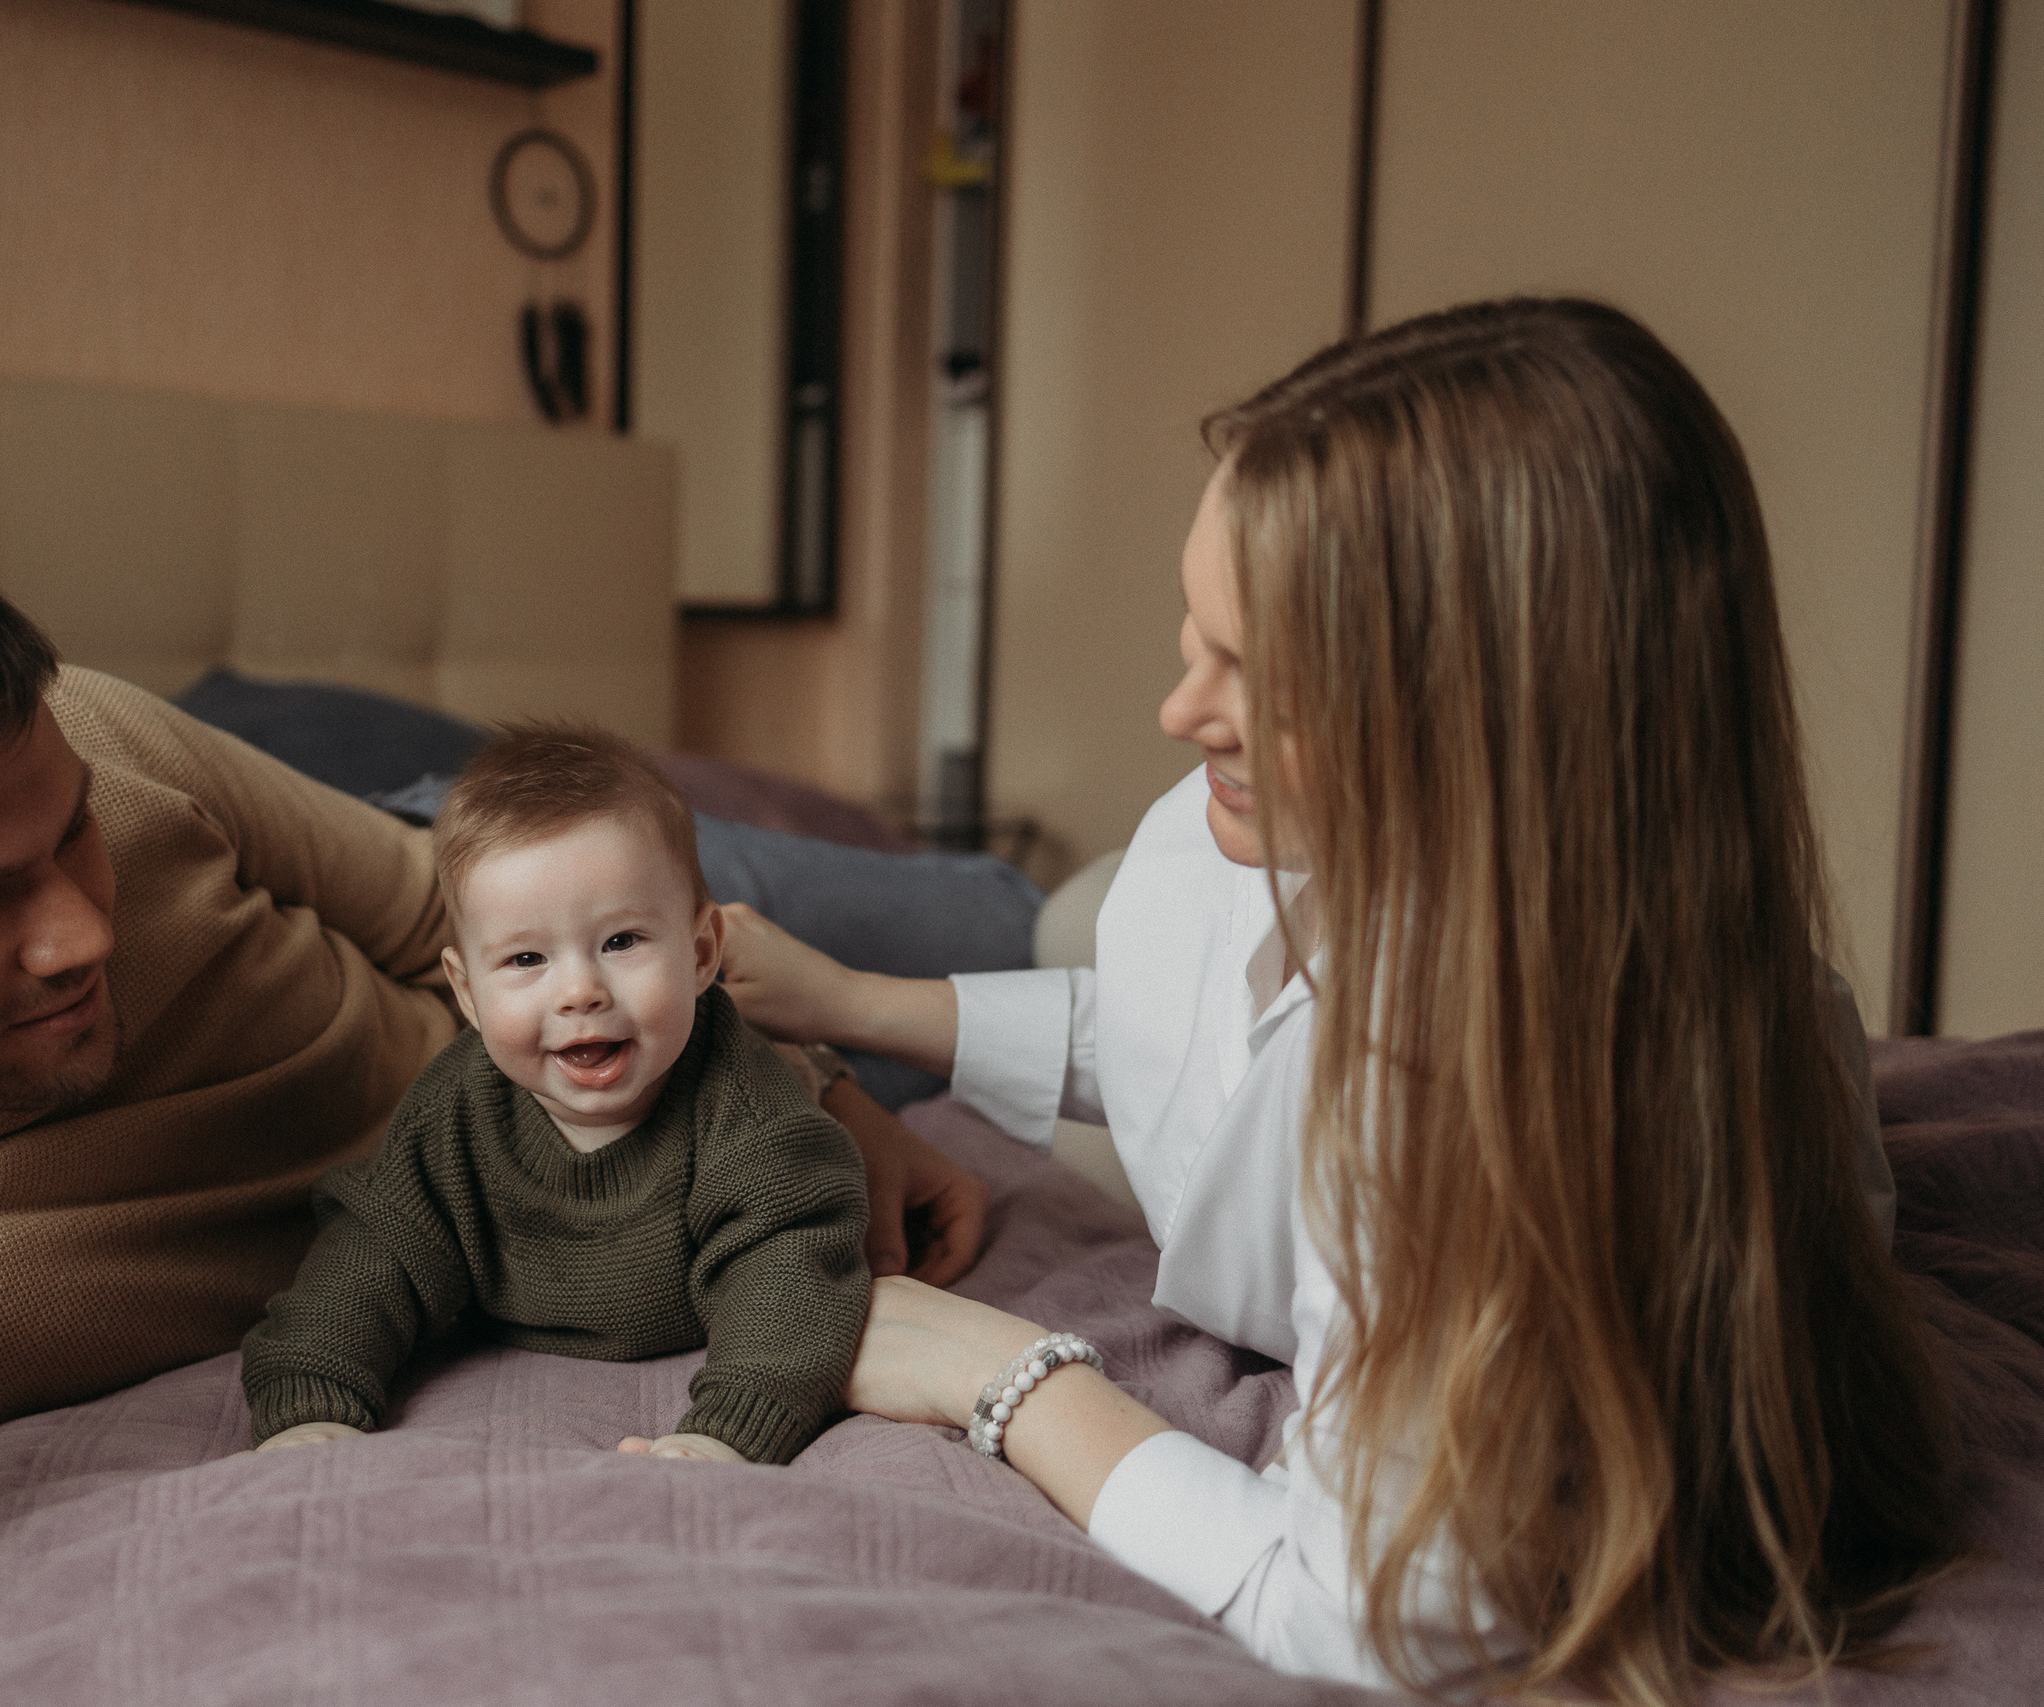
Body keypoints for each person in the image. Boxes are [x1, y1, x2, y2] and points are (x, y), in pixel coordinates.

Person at [0, 513, 983, 1707]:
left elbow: (422, 903)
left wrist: (827, 1075)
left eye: (68, 829)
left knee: (1001, 917)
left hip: (549, 938)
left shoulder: (102, 739)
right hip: (487, 1113)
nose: (80, 926)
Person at [722, 299, 1958, 1700]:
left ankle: (431, 850)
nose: (1180, 710)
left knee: (780, 889)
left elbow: (1367, 1612)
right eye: (1195, 634)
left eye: (1257, 674)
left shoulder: (1489, 1108)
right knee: (726, 893)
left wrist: (994, 1371)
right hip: (1148, 924)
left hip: (1169, 1015)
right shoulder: (1266, 823)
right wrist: (858, 1006)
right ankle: (428, 852)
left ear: (1491, 717)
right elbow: (1152, 1029)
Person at [242, 725, 869, 1466]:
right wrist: (312, 1393)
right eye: (527, 957)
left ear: (701, 953)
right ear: (467, 992)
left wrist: (730, 1429)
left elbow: (791, 1271)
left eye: (621, 941)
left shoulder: (746, 1110)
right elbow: (374, 1253)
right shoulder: (455, 1113)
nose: (579, 991)